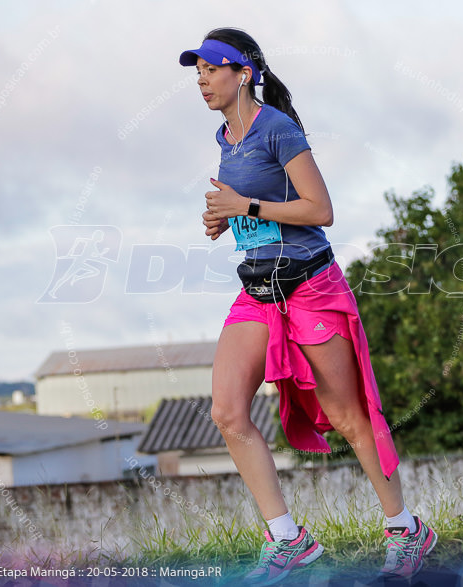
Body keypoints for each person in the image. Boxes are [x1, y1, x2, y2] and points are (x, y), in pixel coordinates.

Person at [179, 28, 436, 584]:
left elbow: (320, 210)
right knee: (227, 411)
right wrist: (225, 219)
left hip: (311, 287)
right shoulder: (225, 137)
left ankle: (406, 529)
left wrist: (245, 202)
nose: (201, 80)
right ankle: (288, 540)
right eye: (196, 71)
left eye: (210, 69)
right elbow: (258, 213)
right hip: (257, 289)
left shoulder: (277, 128)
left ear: (243, 72)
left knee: (347, 416)